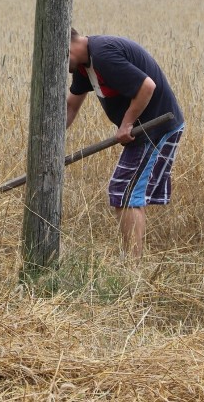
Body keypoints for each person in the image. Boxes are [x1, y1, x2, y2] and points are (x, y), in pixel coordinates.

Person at [66, 28, 184, 262]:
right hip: (143, 131)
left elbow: (146, 86)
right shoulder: (84, 64)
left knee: (126, 194)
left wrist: (126, 124)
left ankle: (132, 268)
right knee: (126, 193)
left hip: (155, 128)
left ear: (66, 47)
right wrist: (49, 141)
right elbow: (71, 106)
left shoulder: (103, 55)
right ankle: (132, 264)